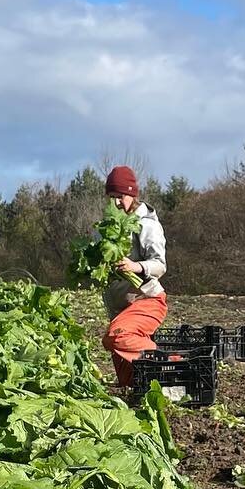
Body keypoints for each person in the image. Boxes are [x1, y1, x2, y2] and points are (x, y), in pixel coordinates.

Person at [99, 165, 167, 391]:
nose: (116, 203)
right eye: (112, 197)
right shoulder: (108, 227)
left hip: (146, 301)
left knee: (115, 338)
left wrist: (135, 266)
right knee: (129, 381)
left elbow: (160, 265)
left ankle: (168, 365)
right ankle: (145, 394)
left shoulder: (146, 224)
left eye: (121, 196)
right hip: (120, 307)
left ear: (132, 194)